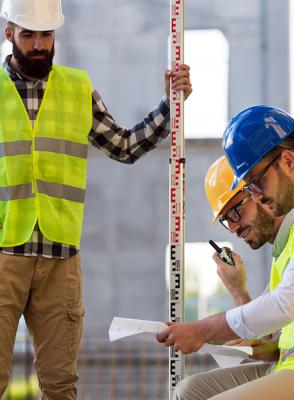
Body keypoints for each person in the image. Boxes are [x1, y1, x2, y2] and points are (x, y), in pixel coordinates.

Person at [0, 0, 192, 398]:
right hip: (3, 254)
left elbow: (124, 146)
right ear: (9, 35)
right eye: (28, 35)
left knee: (61, 385)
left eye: (46, 35)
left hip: (61, 259)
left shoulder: (77, 88)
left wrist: (170, 105)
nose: (38, 44)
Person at [157, 106, 294, 400]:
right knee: (190, 391)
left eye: (256, 183)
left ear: (287, 160)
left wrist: (202, 329)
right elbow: (286, 322)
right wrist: (269, 339)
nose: (257, 195)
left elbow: (283, 305)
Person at [172, 155, 294, 399]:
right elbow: (270, 334)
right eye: (227, 219)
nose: (235, 227)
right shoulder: (282, 250)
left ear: (260, 191)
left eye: (236, 210)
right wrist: (238, 289)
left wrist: (202, 330)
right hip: (291, 362)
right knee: (188, 391)